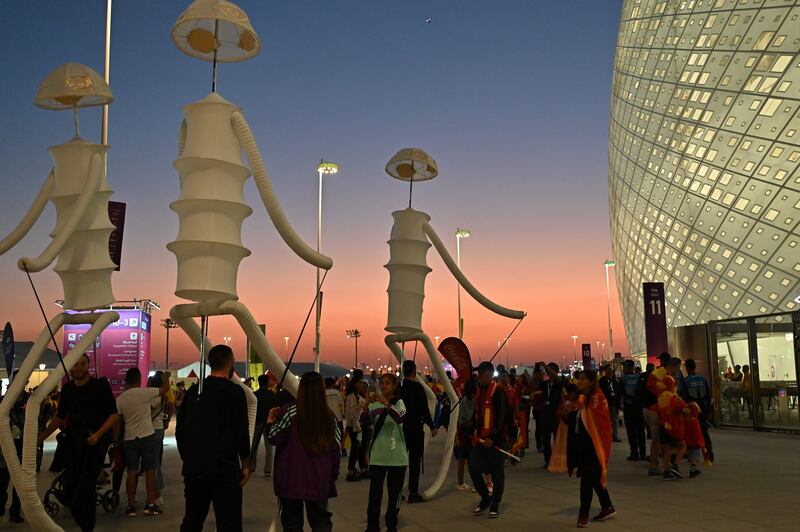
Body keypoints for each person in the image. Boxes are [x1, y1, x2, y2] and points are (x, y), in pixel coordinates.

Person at [175, 344, 250, 532]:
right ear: (230, 362)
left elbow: (180, 431)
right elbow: (241, 431)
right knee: (229, 522)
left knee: (192, 519)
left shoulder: (194, 393)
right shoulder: (234, 392)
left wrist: (189, 457)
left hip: (195, 469)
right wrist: (246, 464)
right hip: (224, 468)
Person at [40, 355, 118, 532]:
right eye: (75, 364)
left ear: (88, 366)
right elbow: (60, 417)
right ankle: (82, 520)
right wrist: (41, 437)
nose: (79, 368)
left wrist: (98, 435)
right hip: (74, 444)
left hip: (94, 445)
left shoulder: (100, 385)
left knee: (86, 488)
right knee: (70, 488)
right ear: (70, 368)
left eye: (83, 364)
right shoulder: (67, 390)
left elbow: (113, 415)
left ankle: (87, 527)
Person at [268, 371, 340, 532]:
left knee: (292, 524)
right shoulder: (330, 418)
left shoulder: (290, 412)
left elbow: (274, 437)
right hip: (319, 479)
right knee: (321, 522)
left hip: (289, 480)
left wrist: (269, 422)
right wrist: (331, 476)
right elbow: (336, 451)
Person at [550, 369, 615, 528]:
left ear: (591, 382)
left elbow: (595, 416)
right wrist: (567, 410)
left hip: (595, 445)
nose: (580, 381)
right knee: (592, 477)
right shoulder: (577, 398)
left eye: (584, 379)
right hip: (580, 444)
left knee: (587, 478)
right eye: (579, 379)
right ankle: (607, 507)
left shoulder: (597, 397)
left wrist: (575, 405)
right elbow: (567, 417)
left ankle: (583, 514)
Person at [366, 373, 407, 532]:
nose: (383, 386)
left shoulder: (400, 403)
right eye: (381, 383)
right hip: (378, 457)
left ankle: (392, 524)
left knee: (394, 495)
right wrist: (365, 406)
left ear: (394, 385)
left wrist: (386, 403)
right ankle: (372, 526)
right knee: (374, 496)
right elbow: (366, 424)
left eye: (387, 383)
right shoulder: (374, 405)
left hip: (397, 457)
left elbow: (400, 418)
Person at [469, 361, 511, 519]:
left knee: (497, 473)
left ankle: (495, 504)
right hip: (480, 440)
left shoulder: (498, 391)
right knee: (473, 468)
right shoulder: (480, 391)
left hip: (496, 440)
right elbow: (478, 415)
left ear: (487, 374)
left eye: (480, 374)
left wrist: (493, 437)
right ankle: (485, 498)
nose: (478, 377)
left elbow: (501, 417)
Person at [400, 360, 438, 503]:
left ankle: (397, 491)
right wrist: (432, 426)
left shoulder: (399, 388)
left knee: (400, 462)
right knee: (414, 462)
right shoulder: (417, 388)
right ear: (415, 371)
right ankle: (413, 492)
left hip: (401, 429)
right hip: (415, 429)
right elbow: (424, 409)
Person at [653, 375, 688, 480]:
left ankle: (667, 471)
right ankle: (676, 466)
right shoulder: (675, 398)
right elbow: (685, 410)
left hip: (662, 426)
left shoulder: (660, 397)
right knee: (682, 446)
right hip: (673, 426)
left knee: (666, 449)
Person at [679, 359, 713, 462]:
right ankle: (709, 455)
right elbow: (708, 395)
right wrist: (708, 411)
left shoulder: (685, 381)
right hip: (703, 409)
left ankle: (692, 457)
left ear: (687, 368)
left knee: (691, 433)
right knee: (704, 432)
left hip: (691, 410)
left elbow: (682, 397)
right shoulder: (703, 379)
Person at [250, 374, 276, 476]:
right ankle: (268, 469)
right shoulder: (272, 394)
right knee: (269, 447)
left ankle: (252, 466)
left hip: (258, 422)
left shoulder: (255, 394)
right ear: (267, 382)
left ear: (258, 383)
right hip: (268, 422)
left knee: (254, 446)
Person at [620, 360, 646, 461]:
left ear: (627, 368)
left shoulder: (623, 379)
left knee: (631, 431)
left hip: (628, 407)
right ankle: (643, 453)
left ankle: (634, 453)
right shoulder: (639, 377)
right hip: (638, 407)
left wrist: (618, 404)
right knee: (640, 430)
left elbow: (619, 393)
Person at [454, 378, 477, 490]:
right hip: (471, 433)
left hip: (461, 432)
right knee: (473, 460)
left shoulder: (461, 401)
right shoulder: (476, 401)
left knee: (461, 460)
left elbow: (459, 420)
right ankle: (476, 484)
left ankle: (460, 483)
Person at [345, 370, 368, 481]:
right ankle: (351, 470)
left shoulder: (358, 395)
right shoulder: (352, 396)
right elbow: (352, 412)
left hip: (358, 425)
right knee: (356, 448)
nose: (361, 384)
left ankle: (362, 468)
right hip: (355, 427)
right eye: (359, 382)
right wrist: (357, 427)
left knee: (359, 448)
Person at [540, 362, 563, 468]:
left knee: (557, 437)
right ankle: (548, 459)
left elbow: (556, 377)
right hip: (545, 413)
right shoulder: (545, 382)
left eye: (551, 369)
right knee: (545, 437)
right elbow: (534, 384)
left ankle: (558, 459)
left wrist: (546, 367)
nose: (548, 371)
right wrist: (538, 371)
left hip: (556, 413)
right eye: (548, 369)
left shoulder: (559, 381)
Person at [598, 365, 621, 443]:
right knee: (606, 420)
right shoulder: (602, 380)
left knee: (614, 420)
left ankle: (614, 436)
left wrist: (617, 402)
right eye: (608, 370)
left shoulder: (613, 380)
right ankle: (606, 436)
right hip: (605, 403)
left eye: (610, 370)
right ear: (605, 371)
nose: (609, 371)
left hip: (612, 403)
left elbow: (617, 391)